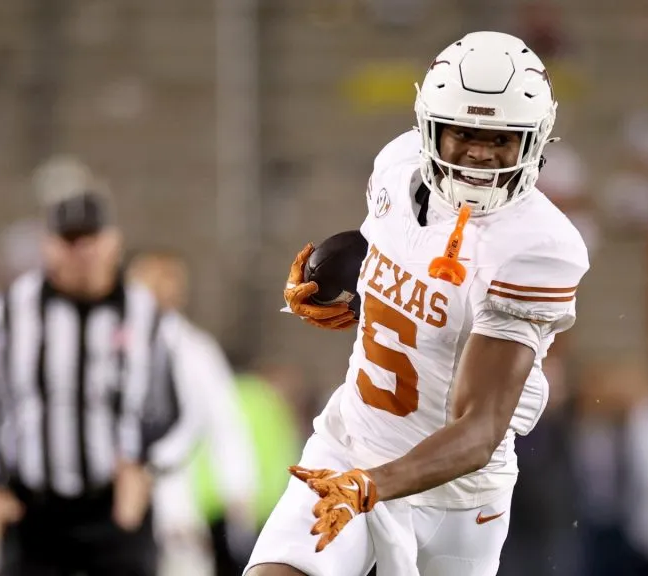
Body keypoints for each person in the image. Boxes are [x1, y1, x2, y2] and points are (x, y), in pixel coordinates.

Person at [247, 31, 590, 576]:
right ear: (429, 128)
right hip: (350, 449)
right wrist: (354, 295)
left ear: (535, 141)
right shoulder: (397, 164)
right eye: (464, 132)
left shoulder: (538, 247)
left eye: (501, 138)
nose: (481, 151)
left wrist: (373, 486)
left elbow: (478, 429)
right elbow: (402, 258)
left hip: (455, 497)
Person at [0, 156, 203, 576]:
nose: (81, 251)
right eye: (69, 239)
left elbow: (187, 409)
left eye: (91, 237)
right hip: (31, 509)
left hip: (117, 509)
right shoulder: (8, 313)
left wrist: (149, 468)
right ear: (48, 245)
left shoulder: (146, 314)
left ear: (114, 241)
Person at [127, 250, 259, 576]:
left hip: (174, 498)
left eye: (169, 278)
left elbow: (225, 422)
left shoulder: (195, 349)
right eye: (151, 277)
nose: (161, 287)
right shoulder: (108, 339)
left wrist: (238, 488)